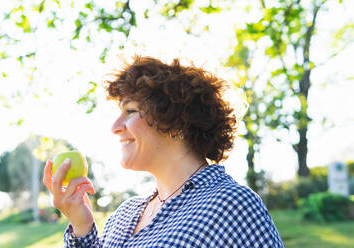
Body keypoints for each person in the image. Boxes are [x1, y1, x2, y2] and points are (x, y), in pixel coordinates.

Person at [43, 56, 284, 247]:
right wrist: (82, 226)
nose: (115, 127)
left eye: (130, 112)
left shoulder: (232, 206)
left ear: (176, 122)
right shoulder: (124, 215)